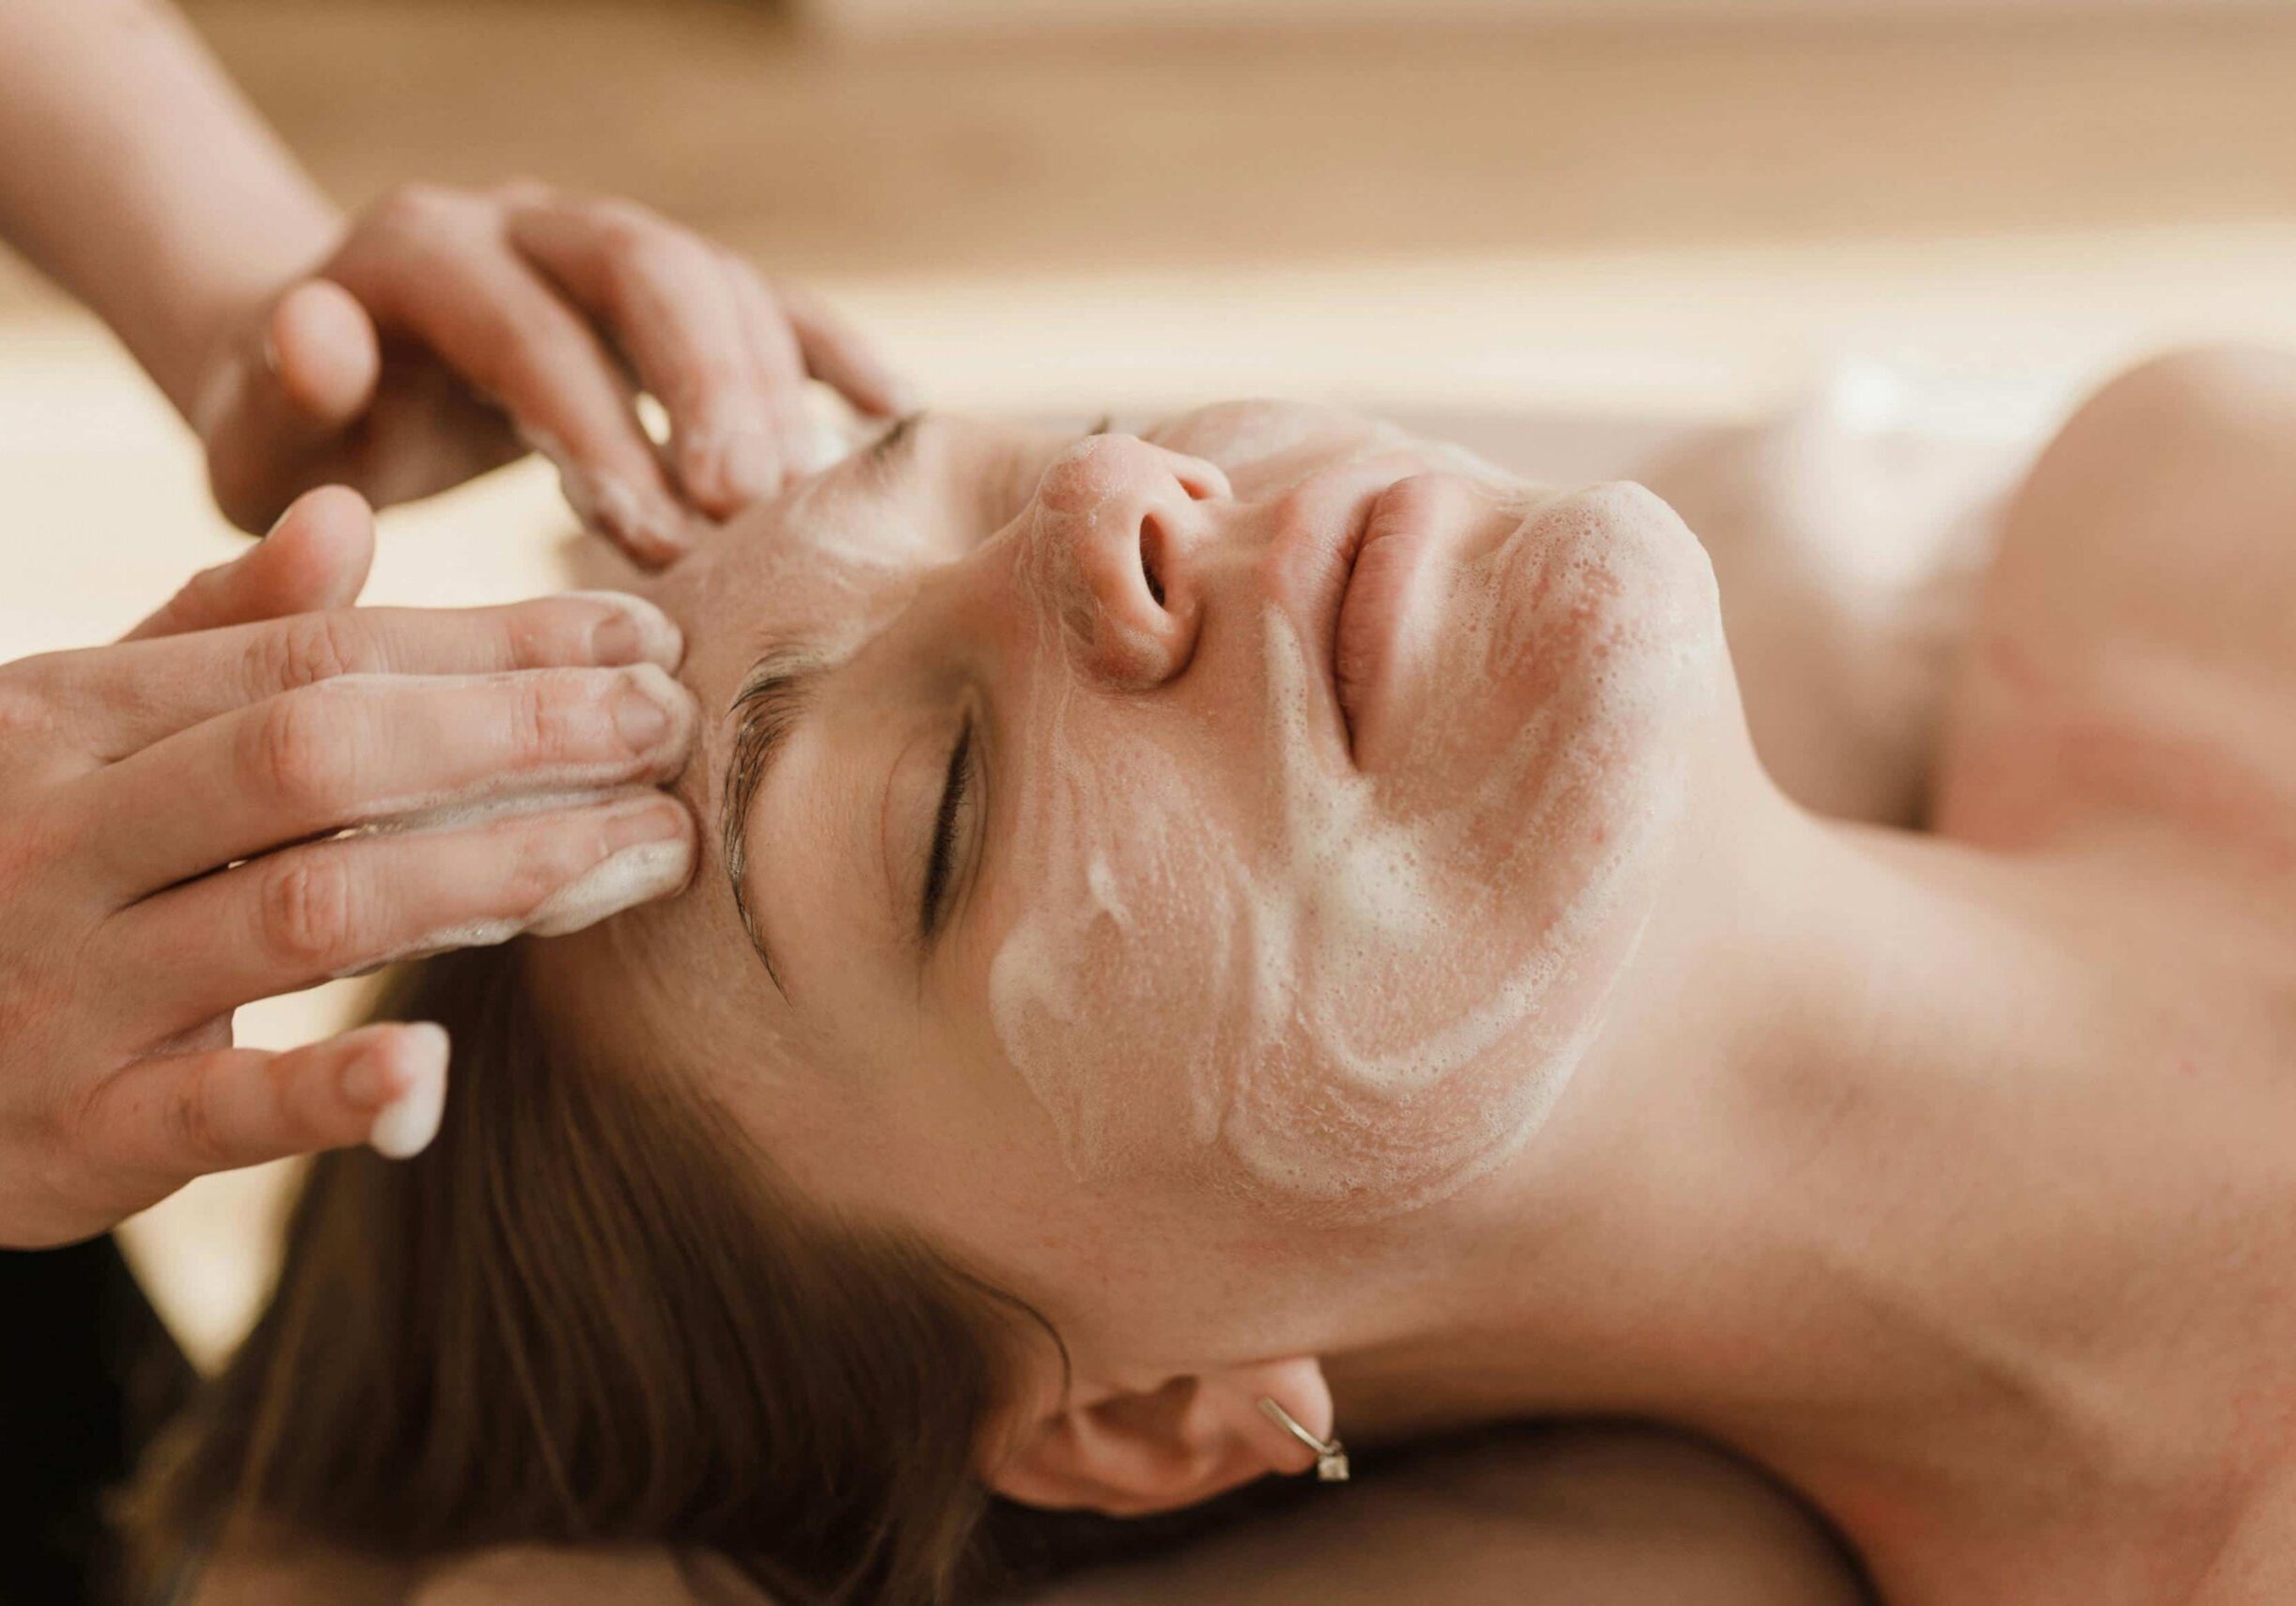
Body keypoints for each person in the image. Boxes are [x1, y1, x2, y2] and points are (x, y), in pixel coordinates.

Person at [125, 347, 2296, 1604]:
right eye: (944, 808)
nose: (1117, 506)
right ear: (1152, 1415)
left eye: (994, 464)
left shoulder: (2185, 514)